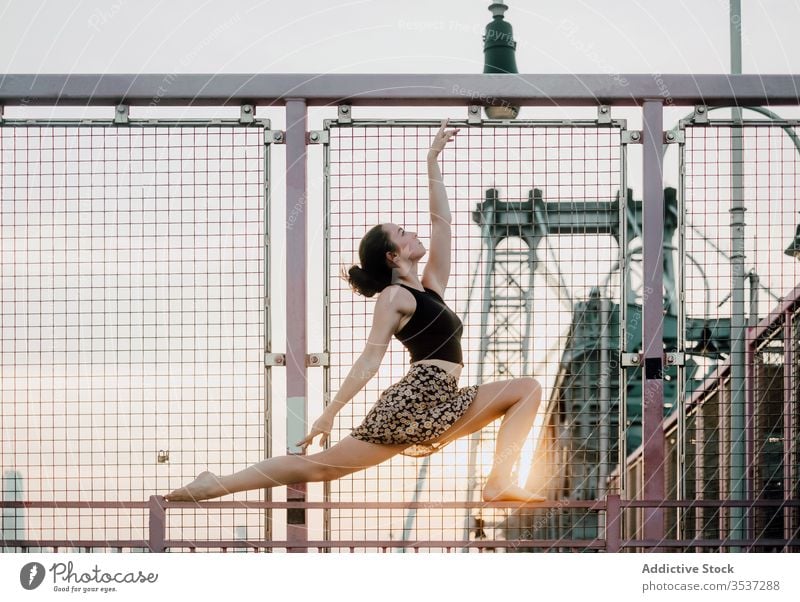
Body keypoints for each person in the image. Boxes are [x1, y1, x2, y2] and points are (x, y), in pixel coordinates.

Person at [165, 119, 545, 503]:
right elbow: (370, 358)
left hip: (443, 396)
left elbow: (441, 224)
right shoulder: (394, 297)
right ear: (393, 256)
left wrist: (432, 160)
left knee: (525, 391)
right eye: (401, 233)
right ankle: (214, 484)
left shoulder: (430, 287)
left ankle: (499, 480)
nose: (412, 233)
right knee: (319, 467)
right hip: (416, 400)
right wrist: (330, 412)